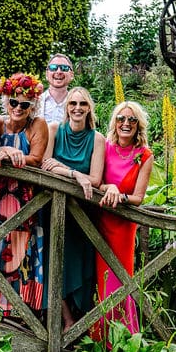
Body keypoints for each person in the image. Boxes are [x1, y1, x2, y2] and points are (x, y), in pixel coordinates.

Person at [0, 72, 48, 320]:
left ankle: (16, 311)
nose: (18, 108)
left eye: (24, 104)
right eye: (13, 102)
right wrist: (2, 149)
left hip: (24, 202)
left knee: (19, 253)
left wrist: (16, 154)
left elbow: (36, 158)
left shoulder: (37, 125)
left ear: (32, 106)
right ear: (5, 101)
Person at [41, 86, 105, 331]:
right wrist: (76, 174)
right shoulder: (55, 130)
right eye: (73, 104)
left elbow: (96, 179)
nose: (77, 108)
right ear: (66, 109)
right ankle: (65, 320)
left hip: (82, 213)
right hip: (54, 209)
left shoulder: (97, 138)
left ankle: (83, 321)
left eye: (82, 104)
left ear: (89, 109)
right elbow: (46, 165)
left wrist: (66, 170)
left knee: (80, 265)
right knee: (53, 261)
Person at [92, 101, 153, 343]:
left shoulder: (145, 156)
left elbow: (138, 198)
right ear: (114, 123)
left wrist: (121, 195)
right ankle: (98, 338)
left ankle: (123, 340)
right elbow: (97, 181)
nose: (125, 124)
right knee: (99, 281)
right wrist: (110, 187)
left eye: (131, 120)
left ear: (139, 126)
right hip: (99, 221)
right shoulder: (104, 148)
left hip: (124, 227)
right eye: (120, 119)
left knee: (120, 282)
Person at [40, 53, 74, 125]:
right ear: (46, 74)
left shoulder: (78, 104)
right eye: (53, 67)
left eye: (64, 68)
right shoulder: (35, 101)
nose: (58, 72)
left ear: (71, 75)